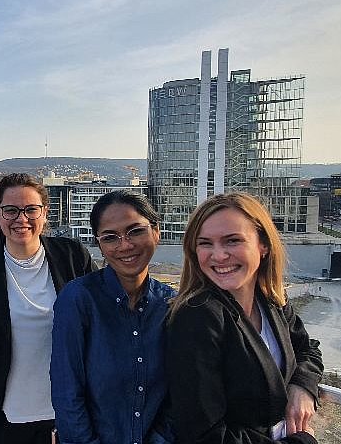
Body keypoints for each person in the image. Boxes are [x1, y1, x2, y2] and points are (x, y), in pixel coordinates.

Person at [166, 192, 323, 444]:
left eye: (232, 241)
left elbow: (307, 349)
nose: (218, 255)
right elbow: (204, 435)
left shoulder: (271, 300)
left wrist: (302, 387)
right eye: (205, 243)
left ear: (264, 245)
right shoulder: (198, 316)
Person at [0, 174, 96, 444]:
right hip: (7, 416)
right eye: (10, 210)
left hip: (68, 413)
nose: (21, 219)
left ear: (45, 214)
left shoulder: (72, 256)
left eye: (31, 209)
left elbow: (98, 329)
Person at [51, 190, 176, 444]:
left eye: (135, 231)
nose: (125, 245)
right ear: (99, 245)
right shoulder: (79, 299)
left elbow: (179, 394)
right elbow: (67, 391)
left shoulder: (172, 304)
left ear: (156, 232)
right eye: (110, 237)